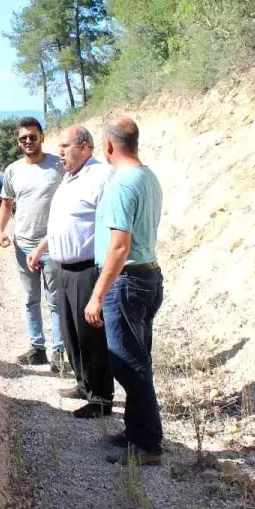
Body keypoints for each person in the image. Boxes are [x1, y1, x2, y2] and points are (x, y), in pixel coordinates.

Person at [85, 116, 165, 465]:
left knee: (128, 364)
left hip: (127, 281)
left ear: (108, 146)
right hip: (148, 277)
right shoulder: (149, 176)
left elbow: (119, 246)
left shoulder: (121, 183)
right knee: (138, 359)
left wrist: (97, 294)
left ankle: (147, 445)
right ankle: (136, 431)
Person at [28, 125, 114, 418]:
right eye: (60, 147)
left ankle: (101, 398)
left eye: (65, 146)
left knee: (91, 336)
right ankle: (83, 384)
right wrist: (41, 248)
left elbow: (111, 225)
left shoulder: (101, 177)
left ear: (85, 147)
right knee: (70, 333)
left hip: (86, 269)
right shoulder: (69, 178)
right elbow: (61, 222)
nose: (60, 152)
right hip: (61, 266)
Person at [0, 117, 65, 368]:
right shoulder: (12, 170)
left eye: (32, 137)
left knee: (56, 301)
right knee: (30, 299)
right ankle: (37, 349)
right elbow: (6, 204)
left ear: (42, 137)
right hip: (22, 246)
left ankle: (59, 352)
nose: (28, 141)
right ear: (18, 142)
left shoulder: (58, 166)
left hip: (53, 246)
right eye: (23, 138)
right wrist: (0, 231)